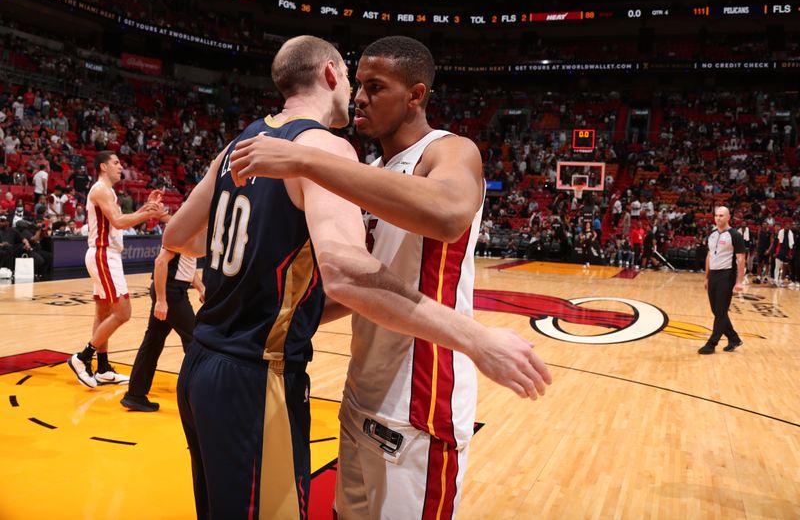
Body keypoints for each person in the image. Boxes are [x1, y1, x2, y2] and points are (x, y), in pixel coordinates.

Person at [163, 36, 550, 520]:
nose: (361, 96)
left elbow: (450, 213)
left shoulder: (449, 151)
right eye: (357, 83)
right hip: (358, 388)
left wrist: (307, 159)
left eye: (375, 86)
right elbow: (354, 285)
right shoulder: (363, 169)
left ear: (416, 95)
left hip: (421, 396)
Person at [66, 151, 165, 388]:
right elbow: (120, 222)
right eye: (116, 163)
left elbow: (118, 220)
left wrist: (145, 208)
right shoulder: (100, 189)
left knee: (102, 313)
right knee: (123, 313)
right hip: (103, 255)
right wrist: (149, 213)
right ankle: (82, 358)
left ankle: (102, 368)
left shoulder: (107, 191)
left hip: (105, 255)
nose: (121, 166)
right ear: (103, 166)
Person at [121, 236, 203, 412]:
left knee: (153, 342)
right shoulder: (185, 229)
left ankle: (135, 395)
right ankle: (198, 397)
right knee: (195, 342)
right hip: (170, 293)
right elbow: (160, 262)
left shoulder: (192, 230)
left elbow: (186, 265)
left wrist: (200, 287)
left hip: (173, 290)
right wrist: (161, 300)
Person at [698, 206, 745, 355]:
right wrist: (706, 277)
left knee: (721, 311)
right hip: (714, 275)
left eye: (721, 216)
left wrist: (739, 281)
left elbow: (741, 258)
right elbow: (709, 256)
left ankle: (712, 343)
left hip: (727, 275)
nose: (718, 218)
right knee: (716, 310)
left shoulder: (735, 235)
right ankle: (733, 338)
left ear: (728, 217)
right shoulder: (711, 235)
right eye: (716, 215)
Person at [773, 221, 794, 287]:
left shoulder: (791, 234)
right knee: (777, 267)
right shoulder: (780, 233)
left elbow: (791, 245)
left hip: (787, 253)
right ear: (784, 227)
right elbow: (775, 244)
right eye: (786, 226)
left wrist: (790, 254)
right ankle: (776, 280)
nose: (787, 227)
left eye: (788, 226)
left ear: (789, 227)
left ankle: (781, 280)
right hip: (779, 252)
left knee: (784, 268)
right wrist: (775, 252)